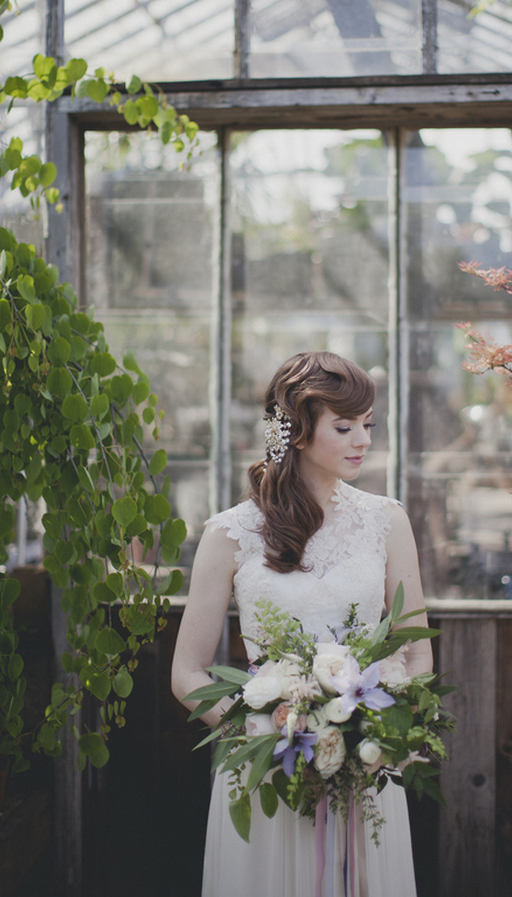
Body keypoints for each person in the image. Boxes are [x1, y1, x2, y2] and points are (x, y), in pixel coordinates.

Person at [171, 351, 432, 897]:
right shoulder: (229, 534)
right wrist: (263, 732)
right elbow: (188, 673)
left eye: (367, 424)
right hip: (268, 767)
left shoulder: (387, 520)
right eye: (344, 426)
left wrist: (375, 731)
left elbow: (414, 647)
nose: (363, 439)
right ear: (297, 434)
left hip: (362, 761)